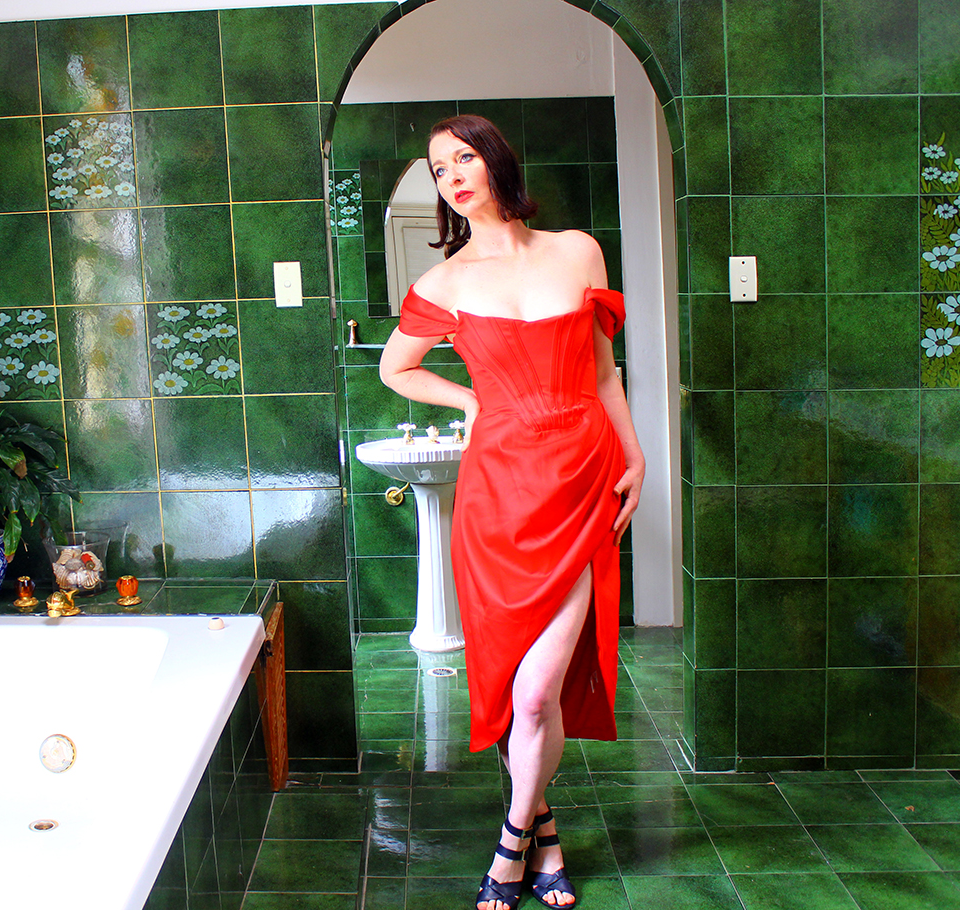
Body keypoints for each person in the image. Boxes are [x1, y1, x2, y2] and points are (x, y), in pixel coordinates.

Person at [378, 115, 645, 910]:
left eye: (464, 157)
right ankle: (543, 836)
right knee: (515, 688)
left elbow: (604, 374)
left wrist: (635, 457)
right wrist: (470, 400)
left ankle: (510, 847)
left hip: (582, 481)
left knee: (539, 694)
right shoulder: (444, 283)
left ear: (496, 161)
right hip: (498, 497)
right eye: (438, 168)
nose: (452, 176)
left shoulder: (578, 251)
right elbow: (398, 368)